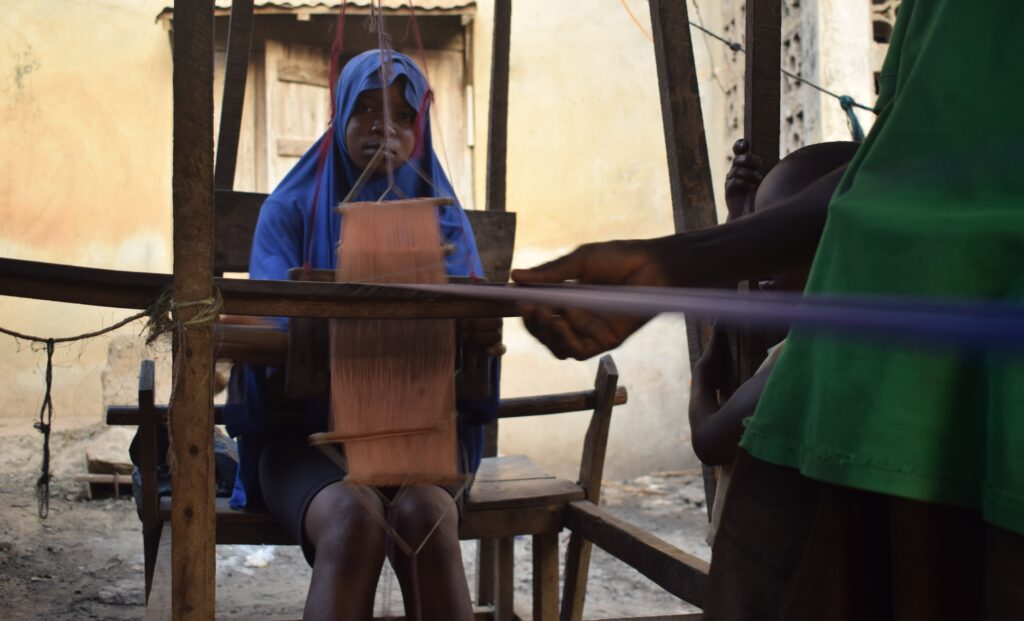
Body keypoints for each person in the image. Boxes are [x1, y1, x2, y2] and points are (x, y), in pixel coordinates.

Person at [513, 1, 1024, 617]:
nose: (760, 285)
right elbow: (897, 175)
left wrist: (685, 279)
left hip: (967, 418)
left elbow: (921, 179)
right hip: (873, 415)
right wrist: (679, 264)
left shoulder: (783, 366)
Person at [225, 50, 500, 621]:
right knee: (354, 521)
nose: (385, 128)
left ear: (419, 129)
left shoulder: (444, 219)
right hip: (307, 441)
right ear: (340, 116)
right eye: (367, 110)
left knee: (425, 519)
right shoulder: (291, 211)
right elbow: (268, 324)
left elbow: (476, 328)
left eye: (403, 116)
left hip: (423, 440)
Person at [691, 139, 857, 544]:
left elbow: (710, 442)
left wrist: (700, 380)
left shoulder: (800, 360)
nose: (763, 258)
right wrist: (737, 216)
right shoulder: (851, 337)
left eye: (779, 240)